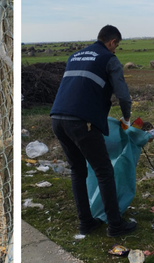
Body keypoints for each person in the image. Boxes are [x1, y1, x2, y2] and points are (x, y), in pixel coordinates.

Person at [50, 25, 137, 237]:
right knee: (104, 171)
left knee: (78, 170)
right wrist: (126, 118)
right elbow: (123, 95)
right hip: (82, 122)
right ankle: (115, 226)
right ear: (113, 42)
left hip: (57, 118)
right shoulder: (109, 58)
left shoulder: (75, 56)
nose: (115, 49)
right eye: (117, 46)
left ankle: (86, 223)